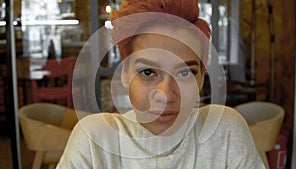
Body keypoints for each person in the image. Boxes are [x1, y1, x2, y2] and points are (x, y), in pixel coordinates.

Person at [56, 0, 265, 168]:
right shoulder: (95, 142)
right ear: (125, 74)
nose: (165, 94)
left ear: (201, 77)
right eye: (148, 72)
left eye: (185, 73)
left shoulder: (225, 132)